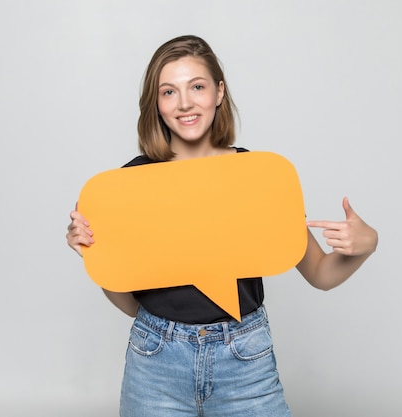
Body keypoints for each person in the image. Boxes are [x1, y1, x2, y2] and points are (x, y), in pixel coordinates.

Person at [66, 35, 378, 417]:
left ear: (218, 91)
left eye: (196, 86)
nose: (184, 103)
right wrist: (96, 254)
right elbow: (131, 305)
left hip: (245, 359)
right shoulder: (129, 183)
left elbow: (320, 274)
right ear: (156, 105)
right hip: (155, 358)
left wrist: (366, 245)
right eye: (168, 92)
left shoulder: (258, 176)